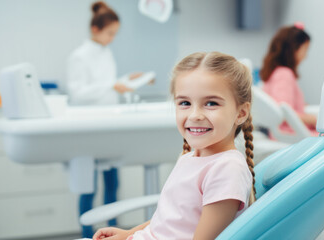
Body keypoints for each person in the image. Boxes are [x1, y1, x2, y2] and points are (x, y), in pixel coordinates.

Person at [93, 52, 256, 240]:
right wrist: (130, 233)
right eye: (185, 103)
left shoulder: (227, 169)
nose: (195, 115)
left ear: (241, 113)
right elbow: (170, 220)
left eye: (211, 103)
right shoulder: (190, 158)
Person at [66, 1, 142, 238]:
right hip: (88, 127)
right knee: (88, 187)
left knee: (112, 184)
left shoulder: (106, 52)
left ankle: (113, 232)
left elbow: (106, 86)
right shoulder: (79, 56)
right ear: (95, 30)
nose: (112, 38)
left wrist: (127, 81)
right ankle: (87, 234)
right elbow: (78, 92)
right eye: (110, 33)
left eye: (115, 34)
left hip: (110, 124)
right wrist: (111, 84)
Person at [260, 22, 318, 136]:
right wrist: (316, 120)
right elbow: (285, 113)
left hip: (287, 133)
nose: (306, 56)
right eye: (305, 49)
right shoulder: (284, 74)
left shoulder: (276, 73)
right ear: (293, 49)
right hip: (290, 134)